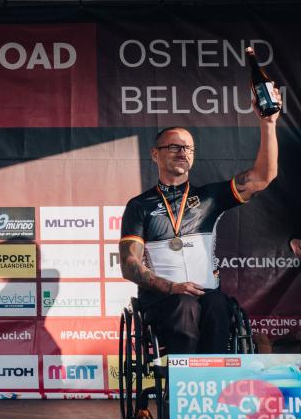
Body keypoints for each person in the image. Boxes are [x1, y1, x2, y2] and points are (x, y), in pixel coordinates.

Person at [119, 90, 281, 355]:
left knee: (218, 305)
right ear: (155, 154)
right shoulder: (139, 206)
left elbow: (264, 176)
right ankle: (184, 384)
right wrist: (172, 287)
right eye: (174, 146)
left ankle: (211, 383)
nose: (183, 152)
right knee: (184, 305)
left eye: (188, 148)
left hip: (206, 296)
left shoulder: (209, 198)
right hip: (163, 300)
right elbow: (129, 265)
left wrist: (268, 123)